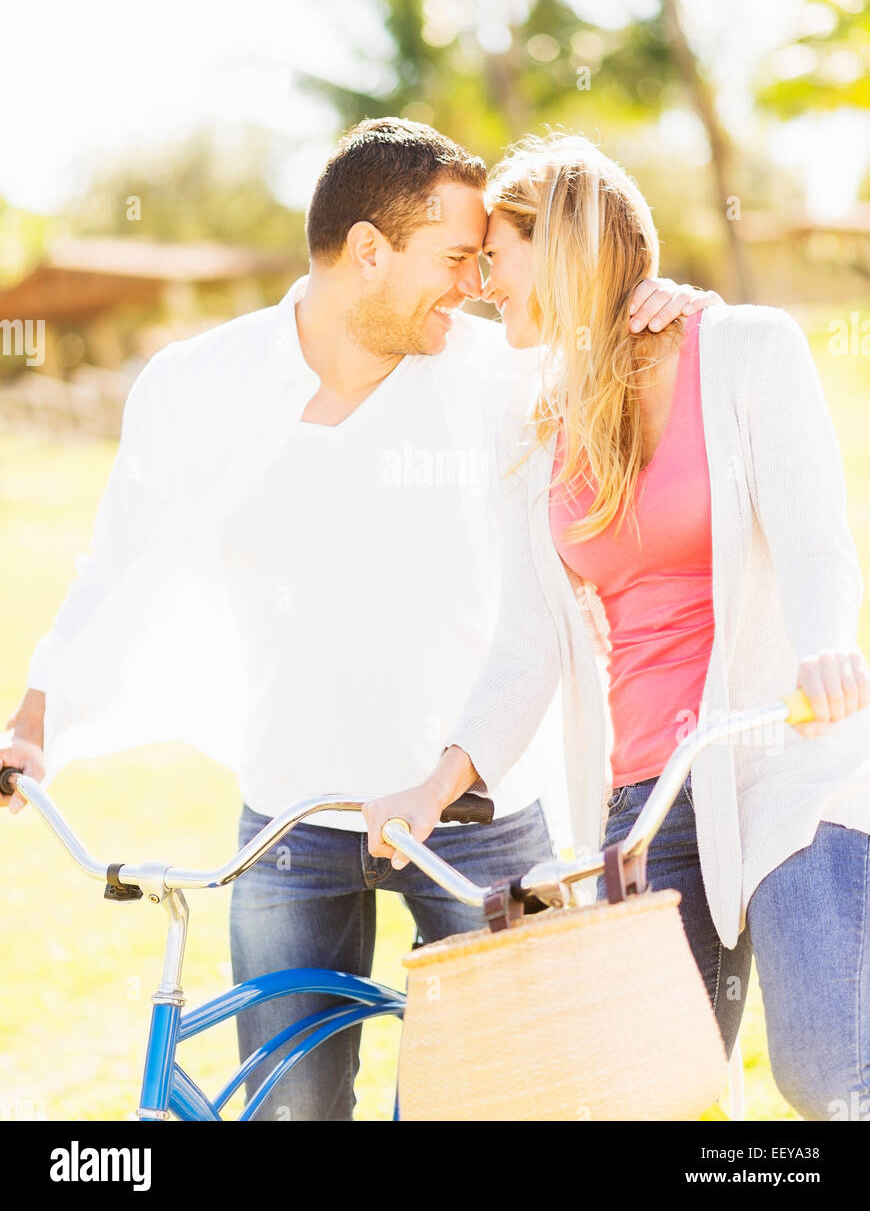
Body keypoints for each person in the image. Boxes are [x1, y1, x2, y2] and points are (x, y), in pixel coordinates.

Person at [0, 119, 714, 1122]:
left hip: (471, 822)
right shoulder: (198, 387)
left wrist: (667, 311)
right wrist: (34, 725)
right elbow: (113, 569)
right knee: (291, 1112)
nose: (473, 282)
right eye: (455, 257)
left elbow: (624, 389)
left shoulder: (506, 379)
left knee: (505, 1106)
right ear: (368, 251)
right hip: (289, 821)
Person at [363, 131, 870, 1122]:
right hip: (643, 805)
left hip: (782, 756)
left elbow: (815, 545)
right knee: (655, 1102)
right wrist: (437, 783)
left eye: (493, 257)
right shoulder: (538, 422)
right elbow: (528, 640)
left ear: (556, 247)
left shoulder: (745, 349)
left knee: (827, 1076)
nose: (477, 283)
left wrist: (827, 648)